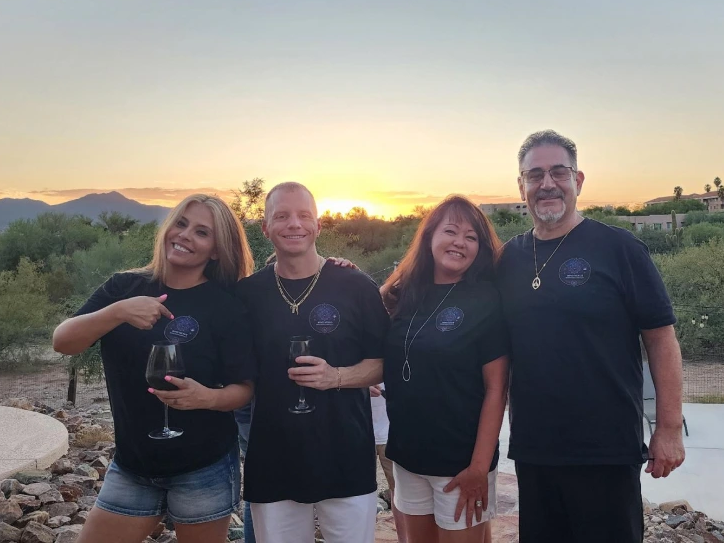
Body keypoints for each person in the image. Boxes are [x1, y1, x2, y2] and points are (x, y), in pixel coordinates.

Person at [497, 130, 686, 543]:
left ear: (577, 181)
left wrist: (669, 427)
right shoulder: (509, 257)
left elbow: (661, 338)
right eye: (535, 175)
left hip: (606, 449)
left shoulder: (619, 249)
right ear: (521, 186)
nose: (547, 184)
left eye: (558, 172)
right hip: (535, 449)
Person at [52, 194, 257, 543]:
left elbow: (245, 389)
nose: (185, 235)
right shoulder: (124, 287)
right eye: (181, 223)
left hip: (203, 468)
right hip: (133, 466)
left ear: (217, 250)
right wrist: (117, 312)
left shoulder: (226, 307)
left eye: (202, 232)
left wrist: (207, 397)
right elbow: (63, 341)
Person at [235, 181, 390, 543]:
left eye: (304, 215)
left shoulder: (355, 285)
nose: (295, 224)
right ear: (265, 228)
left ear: (319, 225)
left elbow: (384, 362)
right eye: (282, 216)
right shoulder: (247, 294)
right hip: (273, 460)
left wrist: (336, 376)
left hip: (346, 457)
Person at [380, 195, 509, 543]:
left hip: (461, 464)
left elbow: (497, 389)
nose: (459, 242)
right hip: (408, 458)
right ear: (429, 236)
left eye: (471, 237)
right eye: (450, 231)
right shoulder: (402, 293)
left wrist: (479, 468)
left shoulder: (486, 300)